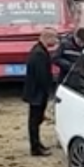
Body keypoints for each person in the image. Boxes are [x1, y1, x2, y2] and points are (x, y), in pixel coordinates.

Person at [22, 29, 59, 157]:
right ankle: (35, 147)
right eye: (54, 38)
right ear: (47, 38)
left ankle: (37, 144)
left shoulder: (39, 50)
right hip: (37, 93)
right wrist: (48, 90)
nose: (56, 41)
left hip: (36, 92)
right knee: (34, 121)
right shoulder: (39, 54)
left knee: (36, 120)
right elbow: (41, 75)